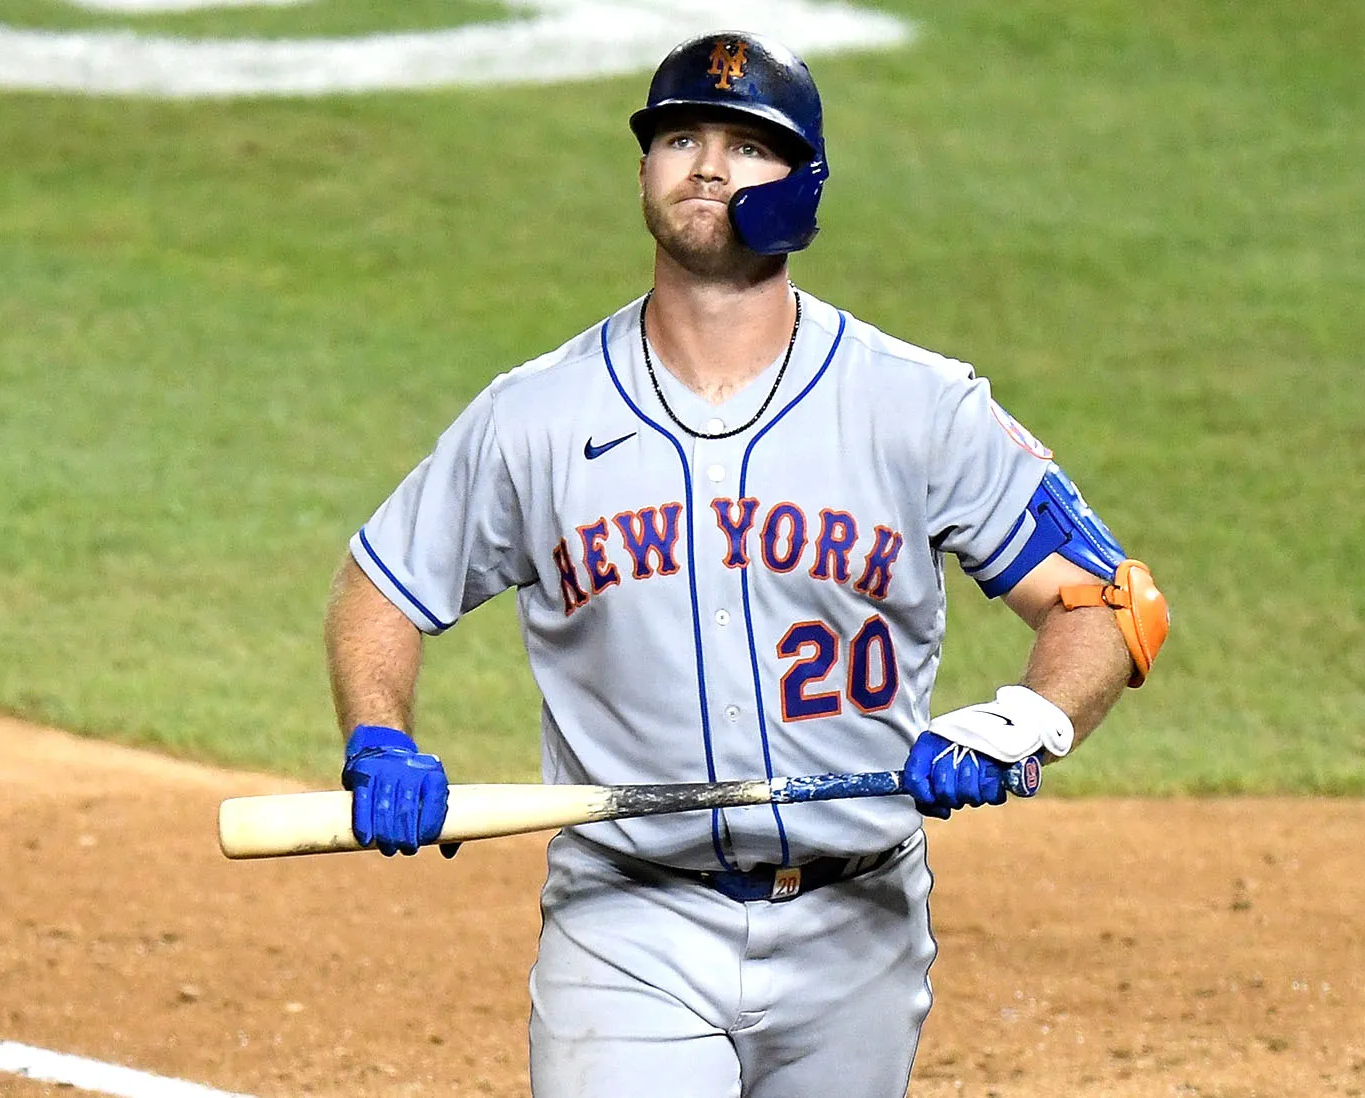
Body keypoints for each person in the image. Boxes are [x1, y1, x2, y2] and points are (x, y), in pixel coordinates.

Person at [323, 30, 1169, 1098]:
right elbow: (380, 589)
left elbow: (1108, 603)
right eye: (680, 137)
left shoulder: (918, 406)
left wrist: (1025, 723)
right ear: (642, 172)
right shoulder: (534, 419)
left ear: (804, 185)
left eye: (748, 146)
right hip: (626, 923)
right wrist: (380, 737)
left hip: (858, 927)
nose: (710, 166)